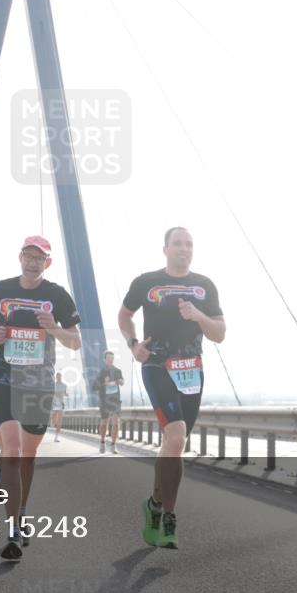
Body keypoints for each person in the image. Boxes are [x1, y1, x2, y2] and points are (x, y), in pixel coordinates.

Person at [119, 227, 225, 549]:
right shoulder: (146, 282)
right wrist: (133, 344)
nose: (184, 249)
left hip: (192, 370)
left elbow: (219, 333)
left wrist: (198, 316)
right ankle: (169, 517)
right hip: (157, 365)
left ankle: (153, 503)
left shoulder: (205, 286)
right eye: (178, 244)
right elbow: (125, 316)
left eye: (189, 244)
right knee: (176, 435)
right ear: (165, 248)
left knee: (173, 444)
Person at [0, 235, 81, 561]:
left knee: (28, 455)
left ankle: (21, 511)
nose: (33, 261)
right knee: (11, 447)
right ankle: (11, 530)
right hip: (7, 376)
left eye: (40, 258)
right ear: (19, 257)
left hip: (38, 382)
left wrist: (54, 329)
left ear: (47, 263)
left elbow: (76, 342)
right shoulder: (1, 289)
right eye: (29, 255)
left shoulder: (58, 296)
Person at [93, 352, 125, 453]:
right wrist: (104, 383)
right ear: (104, 360)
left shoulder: (117, 371)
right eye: (108, 358)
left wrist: (121, 382)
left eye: (112, 358)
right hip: (104, 401)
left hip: (115, 400)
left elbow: (122, 381)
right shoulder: (101, 372)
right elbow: (94, 387)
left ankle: (113, 445)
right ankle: (102, 442)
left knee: (116, 422)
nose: (110, 360)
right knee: (104, 422)